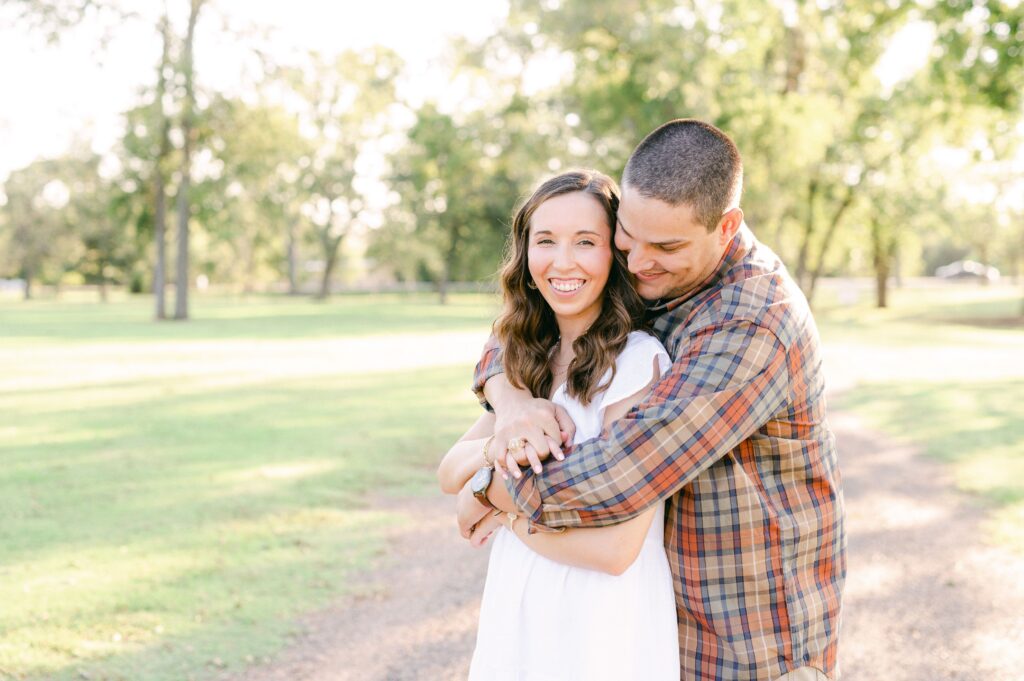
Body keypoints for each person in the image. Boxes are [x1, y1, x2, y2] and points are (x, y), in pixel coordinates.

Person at [457, 119, 846, 681]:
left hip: (753, 644)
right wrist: (512, 401)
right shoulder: (659, 275)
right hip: (661, 631)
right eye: (626, 239)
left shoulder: (753, 323)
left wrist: (488, 488)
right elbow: (535, 319)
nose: (637, 263)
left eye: (664, 246)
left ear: (726, 226)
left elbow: (618, 473)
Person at [437, 170, 680, 680]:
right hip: (519, 614)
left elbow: (614, 551)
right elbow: (449, 475)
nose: (562, 261)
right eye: (545, 241)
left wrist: (501, 510)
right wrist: (494, 450)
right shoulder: (530, 361)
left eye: (585, 242)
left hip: (598, 630)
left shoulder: (637, 364)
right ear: (525, 257)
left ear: (613, 256)